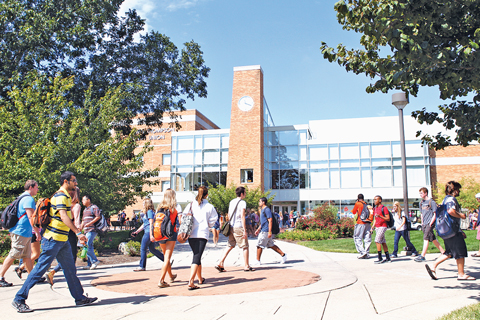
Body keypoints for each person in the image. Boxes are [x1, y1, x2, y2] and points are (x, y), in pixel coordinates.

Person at [12, 171, 97, 313]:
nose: (75, 182)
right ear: (66, 181)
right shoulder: (61, 196)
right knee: (39, 270)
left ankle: (80, 298)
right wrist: (78, 233)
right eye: (73, 180)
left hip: (62, 241)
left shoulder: (64, 197)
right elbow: (64, 217)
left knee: (70, 270)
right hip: (53, 240)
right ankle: (19, 299)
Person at [425, 181, 475, 281]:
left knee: (449, 252)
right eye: (458, 189)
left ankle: (433, 265)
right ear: (454, 190)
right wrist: (462, 215)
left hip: (446, 230)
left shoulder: (445, 200)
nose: (459, 191)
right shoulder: (452, 199)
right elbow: (450, 211)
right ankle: (461, 274)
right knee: (460, 251)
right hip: (453, 231)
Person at [0, 180, 40, 287]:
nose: (37, 189)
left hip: (24, 232)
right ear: (31, 187)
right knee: (14, 254)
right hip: (21, 231)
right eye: (36, 187)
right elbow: (31, 217)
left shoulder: (22, 197)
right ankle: (0, 277)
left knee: (26, 256)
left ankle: (32, 278)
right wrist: (37, 232)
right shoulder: (28, 199)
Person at [45, 187, 81, 286]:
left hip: (62, 231)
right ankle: (70, 282)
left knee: (65, 257)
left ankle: (53, 272)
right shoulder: (76, 206)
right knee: (72, 258)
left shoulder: (65, 203)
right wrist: (79, 233)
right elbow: (76, 221)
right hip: (72, 232)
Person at [183, 186, 217, 290]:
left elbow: (184, 217)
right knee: (197, 257)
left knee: (197, 255)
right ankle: (191, 281)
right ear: (207, 194)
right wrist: (209, 225)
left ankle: (200, 278)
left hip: (191, 234)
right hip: (202, 234)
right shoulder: (210, 207)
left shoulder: (191, 205)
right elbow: (213, 221)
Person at [215, 187, 255, 272]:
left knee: (230, 245)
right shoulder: (242, 202)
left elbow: (229, 215)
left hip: (231, 226)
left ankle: (220, 262)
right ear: (241, 194)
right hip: (239, 226)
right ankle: (246, 266)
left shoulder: (232, 202)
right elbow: (242, 216)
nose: (245, 194)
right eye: (245, 192)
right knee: (245, 246)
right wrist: (245, 230)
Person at [131, 199, 165, 271]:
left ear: (147, 204)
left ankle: (142, 266)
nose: (142, 205)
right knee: (152, 249)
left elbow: (151, 223)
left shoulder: (149, 212)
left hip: (148, 233)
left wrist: (151, 235)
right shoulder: (147, 212)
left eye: (144, 203)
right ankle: (166, 261)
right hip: (148, 232)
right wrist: (137, 232)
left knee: (143, 249)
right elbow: (144, 224)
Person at [157, 189, 181, 288]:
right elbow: (180, 220)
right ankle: (161, 280)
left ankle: (171, 276)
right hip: (171, 233)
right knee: (167, 257)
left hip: (160, 233)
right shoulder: (176, 207)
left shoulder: (159, 207)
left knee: (165, 257)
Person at [251, 197, 287, 265]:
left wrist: (269, 231)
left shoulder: (267, 210)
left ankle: (257, 261)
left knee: (259, 245)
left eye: (260, 201)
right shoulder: (262, 210)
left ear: (263, 202)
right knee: (271, 245)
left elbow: (270, 220)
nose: (259, 203)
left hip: (266, 231)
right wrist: (258, 229)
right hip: (264, 229)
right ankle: (283, 255)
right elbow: (263, 222)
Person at [415, 187, 445, 262]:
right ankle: (444, 252)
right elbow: (421, 213)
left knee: (426, 238)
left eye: (421, 193)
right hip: (424, 223)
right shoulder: (421, 203)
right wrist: (422, 222)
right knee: (433, 238)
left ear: (426, 193)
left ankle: (422, 256)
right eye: (420, 193)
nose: (420, 194)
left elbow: (435, 214)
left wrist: (431, 223)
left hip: (429, 223)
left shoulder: (431, 202)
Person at [80, 195, 101, 270]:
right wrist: (80, 228)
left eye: (83, 200)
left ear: (88, 200)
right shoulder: (85, 210)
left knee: (87, 245)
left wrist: (90, 223)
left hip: (92, 229)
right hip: (86, 230)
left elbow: (98, 216)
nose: (82, 201)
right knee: (89, 246)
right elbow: (83, 220)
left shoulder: (94, 207)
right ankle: (89, 264)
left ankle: (95, 261)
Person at [351, 194, 372, 259]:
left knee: (357, 238)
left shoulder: (357, 203)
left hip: (360, 222)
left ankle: (362, 252)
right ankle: (367, 253)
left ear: (358, 198)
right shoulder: (366, 204)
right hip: (368, 223)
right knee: (367, 238)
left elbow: (354, 212)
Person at [372, 195, 392, 264]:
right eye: (374, 199)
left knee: (377, 240)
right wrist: (373, 226)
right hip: (377, 226)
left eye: (376, 199)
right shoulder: (375, 208)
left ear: (380, 200)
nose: (374, 201)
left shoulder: (384, 208)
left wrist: (380, 216)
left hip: (383, 226)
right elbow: (375, 218)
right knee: (383, 242)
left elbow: (388, 218)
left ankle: (380, 258)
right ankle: (388, 258)